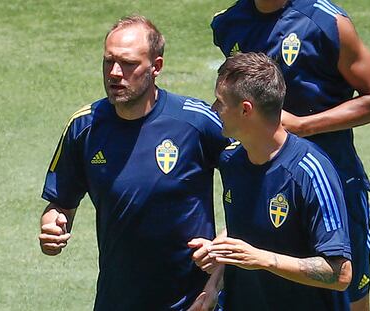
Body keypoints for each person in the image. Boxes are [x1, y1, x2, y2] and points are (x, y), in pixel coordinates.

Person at [38, 15, 229, 310]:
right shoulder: (84, 127)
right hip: (116, 301)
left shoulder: (195, 122)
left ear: (157, 67)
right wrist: (52, 226)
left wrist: (222, 250)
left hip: (191, 302)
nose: (115, 73)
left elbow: (257, 185)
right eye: (108, 61)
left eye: (128, 64)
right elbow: (60, 204)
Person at [210, 1, 370, 309]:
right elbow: (234, 96)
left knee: (348, 296)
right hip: (265, 179)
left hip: (334, 182)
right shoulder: (228, 23)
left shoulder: (328, 22)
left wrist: (304, 126)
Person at [196, 51, 353, 310]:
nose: (214, 109)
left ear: (246, 109)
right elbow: (246, 232)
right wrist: (215, 275)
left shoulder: (309, 171)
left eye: (220, 102)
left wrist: (263, 259)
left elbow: (340, 273)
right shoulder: (232, 161)